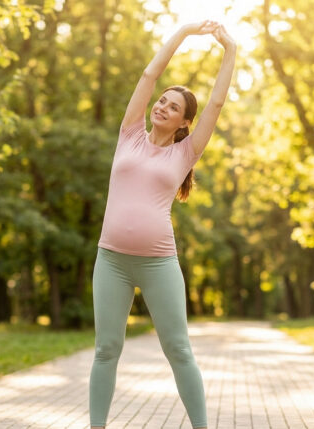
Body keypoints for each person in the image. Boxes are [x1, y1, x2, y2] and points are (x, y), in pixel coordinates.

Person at [89, 20, 236, 429]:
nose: (162, 106)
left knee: (179, 349)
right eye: (163, 101)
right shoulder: (129, 133)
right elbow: (149, 74)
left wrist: (230, 50)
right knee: (106, 349)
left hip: (158, 264)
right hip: (111, 261)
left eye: (173, 107)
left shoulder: (186, 152)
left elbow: (216, 105)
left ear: (183, 123)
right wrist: (185, 33)